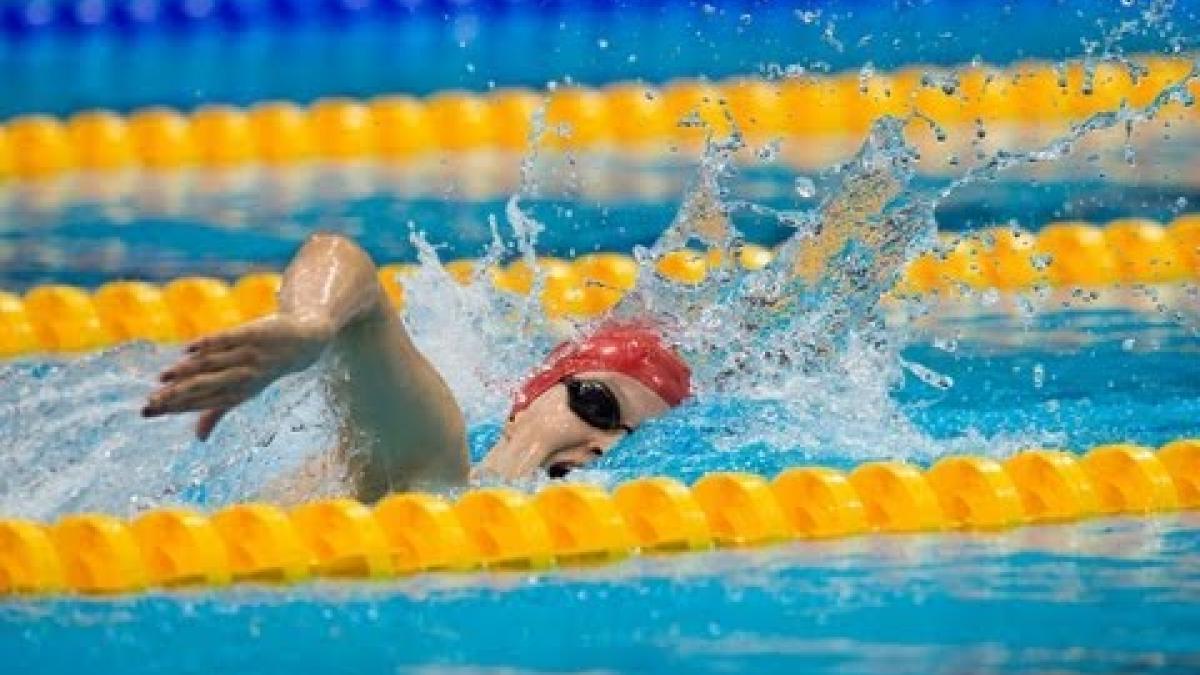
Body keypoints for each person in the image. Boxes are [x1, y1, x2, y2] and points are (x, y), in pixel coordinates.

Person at [142, 233, 691, 502]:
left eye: (630, 437)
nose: (605, 444)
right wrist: (313, 323)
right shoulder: (436, 461)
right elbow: (342, 259)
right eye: (599, 405)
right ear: (523, 403)